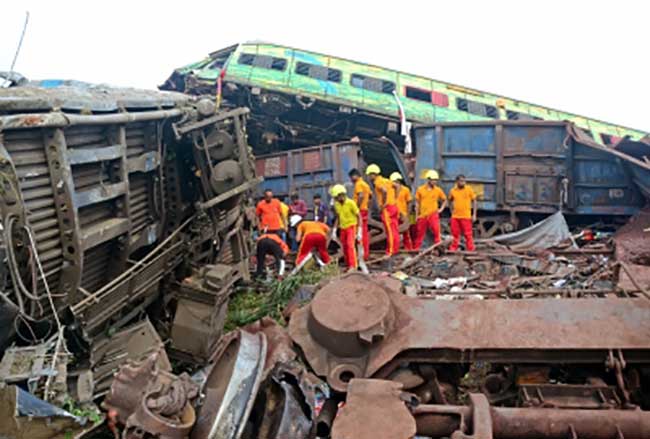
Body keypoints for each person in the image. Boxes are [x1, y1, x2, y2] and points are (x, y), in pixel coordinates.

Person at [366, 164, 399, 256]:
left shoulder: (378, 182)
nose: (369, 177)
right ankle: (395, 249)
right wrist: (395, 198)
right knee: (395, 229)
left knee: (389, 231)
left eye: (369, 175)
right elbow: (397, 186)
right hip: (394, 207)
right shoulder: (386, 180)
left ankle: (390, 251)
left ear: (373, 174)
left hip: (387, 209)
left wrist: (383, 203)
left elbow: (384, 191)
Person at [331, 184, 363, 270]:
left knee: (350, 245)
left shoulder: (351, 203)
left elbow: (359, 216)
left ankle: (353, 266)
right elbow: (338, 217)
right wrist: (334, 230)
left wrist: (359, 230)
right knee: (344, 247)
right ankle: (348, 265)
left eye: (336, 197)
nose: (336, 199)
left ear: (341, 195)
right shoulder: (337, 204)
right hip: (343, 228)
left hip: (351, 227)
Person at [414, 170, 447, 249]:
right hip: (423, 215)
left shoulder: (438, 190)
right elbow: (417, 203)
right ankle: (416, 250)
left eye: (436, 180)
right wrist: (416, 215)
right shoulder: (420, 190)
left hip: (433, 214)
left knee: (436, 233)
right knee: (420, 234)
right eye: (433, 180)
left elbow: (445, 200)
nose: (435, 182)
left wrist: (441, 209)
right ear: (428, 180)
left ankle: (438, 250)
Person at [448, 174, 477, 252]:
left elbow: (474, 201)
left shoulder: (469, 189)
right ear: (457, 182)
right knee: (455, 234)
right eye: (461, 181)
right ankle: (453, 248)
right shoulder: (453, 191)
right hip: (455, 216)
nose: (463, 183)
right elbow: (449, 200)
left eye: (464, 181)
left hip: (466, 216)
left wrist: (474, 214)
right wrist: (452, 211)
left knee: (468, 234)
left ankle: (470, 249)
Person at [349, 168, 372, 260]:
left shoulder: (358, 184)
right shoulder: (365, 184)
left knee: (359, 233)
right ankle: (366, 254)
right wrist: (367, 206)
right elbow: (370, 197)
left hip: (360, 211)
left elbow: (361, 196)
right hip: (365, 209)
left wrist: (356, 208)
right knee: (364, 233)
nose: (351, 180)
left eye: (351, 177)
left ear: (355, 176)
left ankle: (361, 255)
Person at [390, 172, 414, 251]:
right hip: (393, 214)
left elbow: (409, 202)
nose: (393, 183)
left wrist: (407, 214)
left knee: (406, 233)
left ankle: (408, 248)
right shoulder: (390, 190)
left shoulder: (405, 190)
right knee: (393, 232)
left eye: (395, 182)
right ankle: (394, 248)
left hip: (403, 214)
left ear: (399, 181)